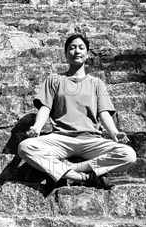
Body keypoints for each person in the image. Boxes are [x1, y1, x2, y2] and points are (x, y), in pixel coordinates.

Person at [17, 33, 137, 186]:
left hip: (91, 139)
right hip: (61, 139)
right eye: (72, 48)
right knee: (25, 147)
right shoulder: (54, 80)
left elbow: (103, 112)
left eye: (81, 48)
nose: (77, 51)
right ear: (66, 54)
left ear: (87, 54)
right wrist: (37, 127)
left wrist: (114, 133)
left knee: (128, 154)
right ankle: (83, 177)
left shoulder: (96, 83)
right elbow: (45, 107)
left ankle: (72, 168)